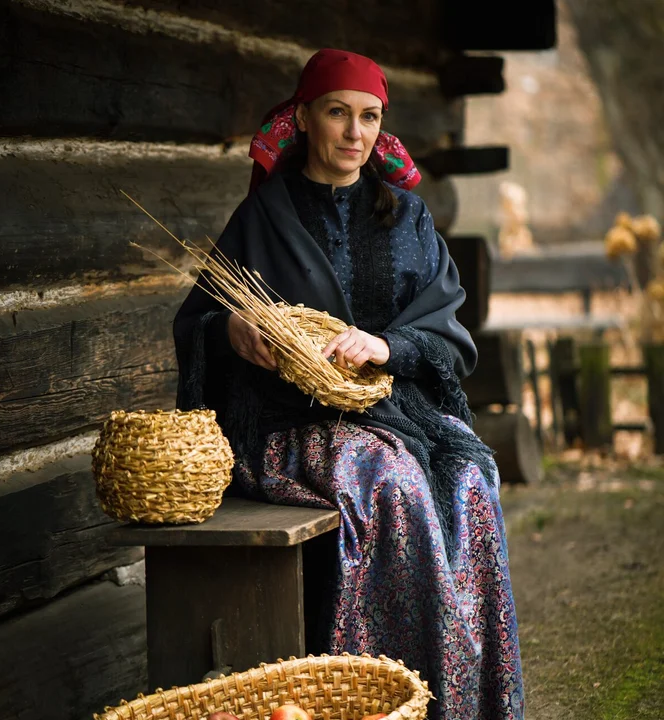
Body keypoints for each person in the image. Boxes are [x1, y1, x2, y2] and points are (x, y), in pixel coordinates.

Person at [174, 49, 523, 720]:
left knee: (472, 475)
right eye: (337, 113)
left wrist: (387, 344)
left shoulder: (409, 219)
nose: (354, 133)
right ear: (304, 117)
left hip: (401, 409)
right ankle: (372, 697)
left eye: (368, 117)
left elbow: (450, 333)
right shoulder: (263, 219)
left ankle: (465, 699)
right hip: (292, 422)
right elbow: (197, 322)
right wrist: (232, 331)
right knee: (387, 480)